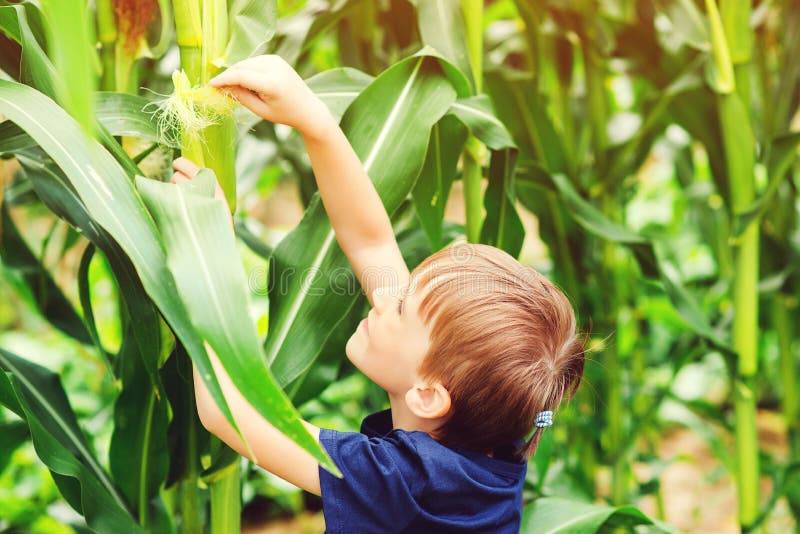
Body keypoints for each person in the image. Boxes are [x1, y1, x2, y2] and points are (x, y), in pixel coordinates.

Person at [172, 55, 585, 533]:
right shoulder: (492, 448)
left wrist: (208, 258)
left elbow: (230, 415)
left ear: (429, 395)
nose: (383, 295)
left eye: (403, 305)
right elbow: (372, 243)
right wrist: (314, 121)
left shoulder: (403, 482)